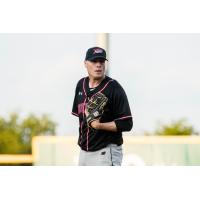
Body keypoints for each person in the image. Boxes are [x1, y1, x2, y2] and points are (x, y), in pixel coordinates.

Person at [72, 47, 133, 166]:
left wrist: (99, 125)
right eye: (94, 61)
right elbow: (81, 121)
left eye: (101, 61)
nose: (98, 65)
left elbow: (127, 123)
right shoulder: (81, 85)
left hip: (106, 151)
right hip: (84, 152)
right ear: (85, 63)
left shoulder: (114, 88)